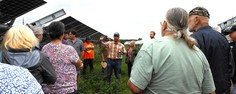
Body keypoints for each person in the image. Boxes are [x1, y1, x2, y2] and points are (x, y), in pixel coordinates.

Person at [128, 7, 215, 94]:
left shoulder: (151, 47)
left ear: (165, 25)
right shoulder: (198, 53)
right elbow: (210, 91)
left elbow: (135, 87)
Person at [189, 6, 231, 94]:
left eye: (189, 20)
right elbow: (229, 64)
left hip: (206, 90)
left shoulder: (193, 39)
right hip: (224, 88)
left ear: (196, 19)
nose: (188, 23)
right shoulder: (222, 37)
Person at [41, 21, 83, 93]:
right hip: (67, 90)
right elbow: (79, 65)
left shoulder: (44, 48)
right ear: (62, 34)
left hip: (49, 90)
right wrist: (81, 64)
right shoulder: (69, 49)